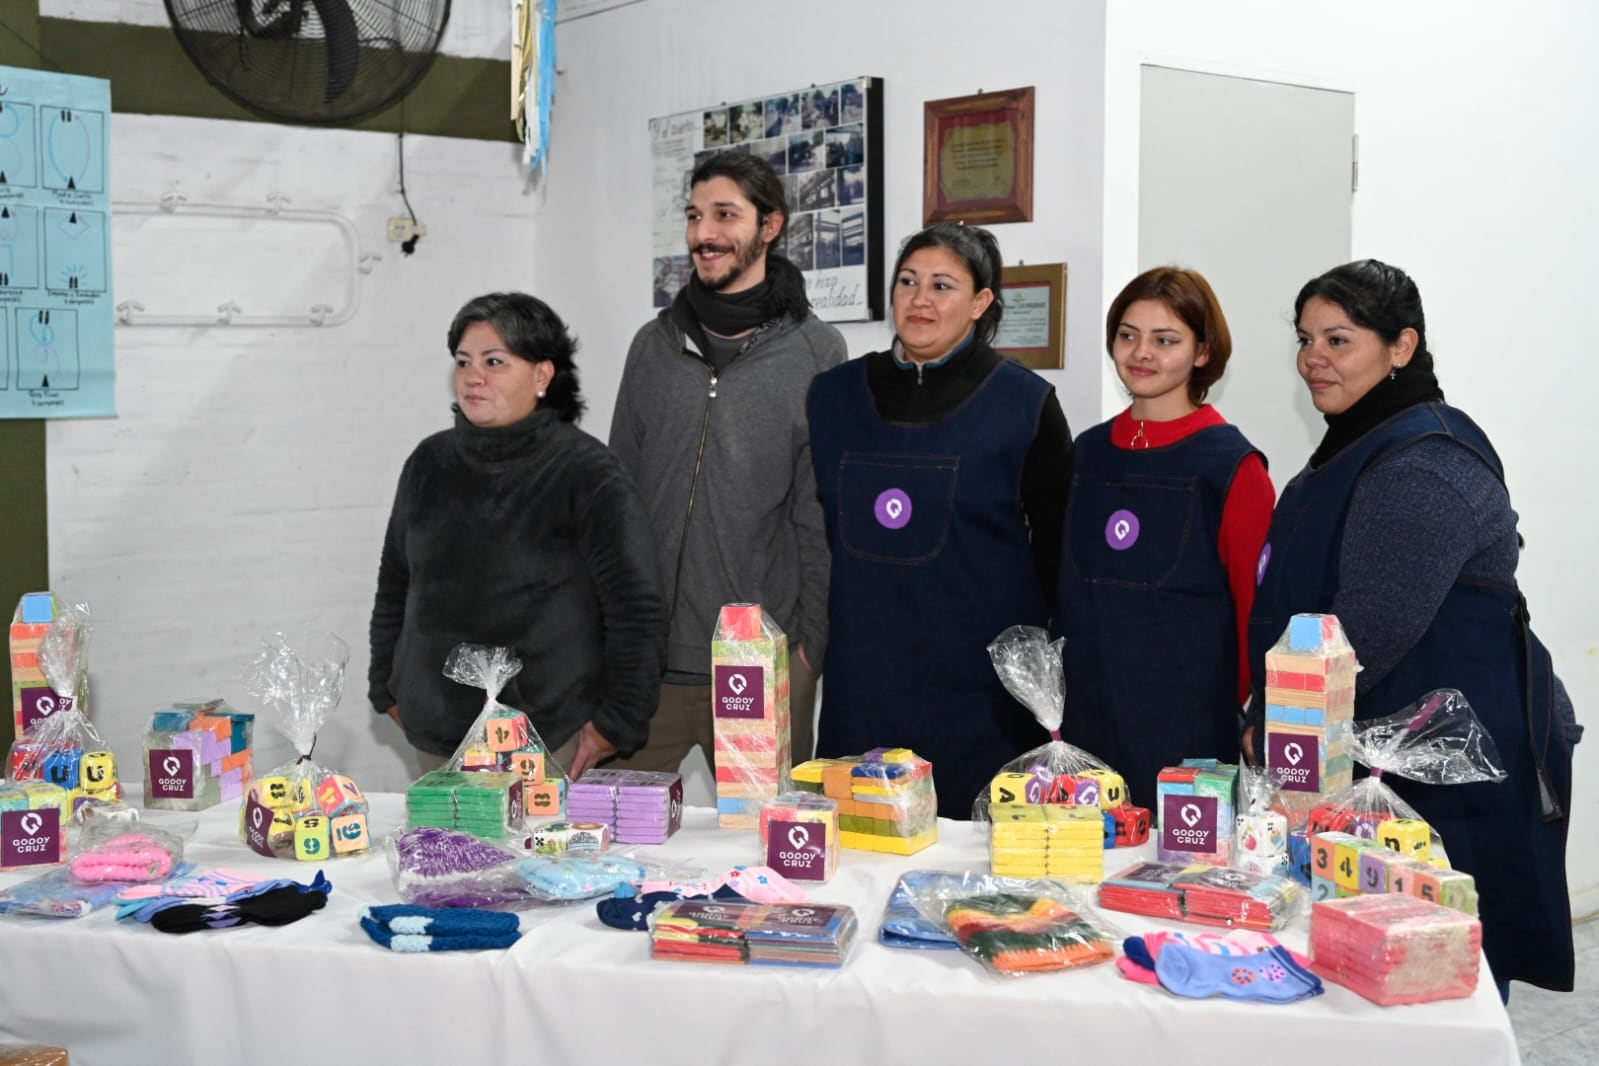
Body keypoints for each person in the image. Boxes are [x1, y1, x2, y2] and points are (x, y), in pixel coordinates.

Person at [1247, 259, 1580, 994]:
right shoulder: (1359, 440)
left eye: (1338, 340)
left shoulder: (1421, 460)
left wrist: (1275, 721)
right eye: (1305, 340)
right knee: (1373, 967)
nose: (1313, 359)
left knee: (1434, 974)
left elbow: (1371, 625)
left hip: (1443, 764)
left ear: (1401, 346)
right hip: (1383, 753)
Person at [807, 222, 1073, 819]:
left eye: (942, 285)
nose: (920, 299)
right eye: (908, 281)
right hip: (864, 677)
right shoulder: (831, 398)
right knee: (859, 849)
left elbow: (1058, 555)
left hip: (980, 694)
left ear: (981, 304)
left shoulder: (1025, 406)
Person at [608, 153, 846, 772]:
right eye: (693, 216)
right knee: (611, 849)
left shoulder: (817, 351)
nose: (704, 234)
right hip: (645, 667)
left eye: (724, 215)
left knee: (766, 852)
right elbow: (616, 499)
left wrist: (810, 650)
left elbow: (819, 515)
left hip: (758, 665)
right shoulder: (652, 346)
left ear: (769, 227)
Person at [369, 292, 666, 781]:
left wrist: (617, 722)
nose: (473, 376)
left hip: (544, 736)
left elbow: (637, 610)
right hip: (435, 733)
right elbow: (396, 583)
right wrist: (387, 686)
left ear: (543, 375)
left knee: (528, 860)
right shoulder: (429, 462)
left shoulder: (588, 473)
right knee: (441, 856)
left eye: (494, 361)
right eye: (463, 362)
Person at [1056, 267, 1274, 806]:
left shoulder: (1232, 466)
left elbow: (1258, 612)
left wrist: (1255, 714)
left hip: (1186, 734)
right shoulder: (1084, 454)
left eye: (1165, 340)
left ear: (1203, 353)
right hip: (1083, 723)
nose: (1141, 353)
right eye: (1128, 335)